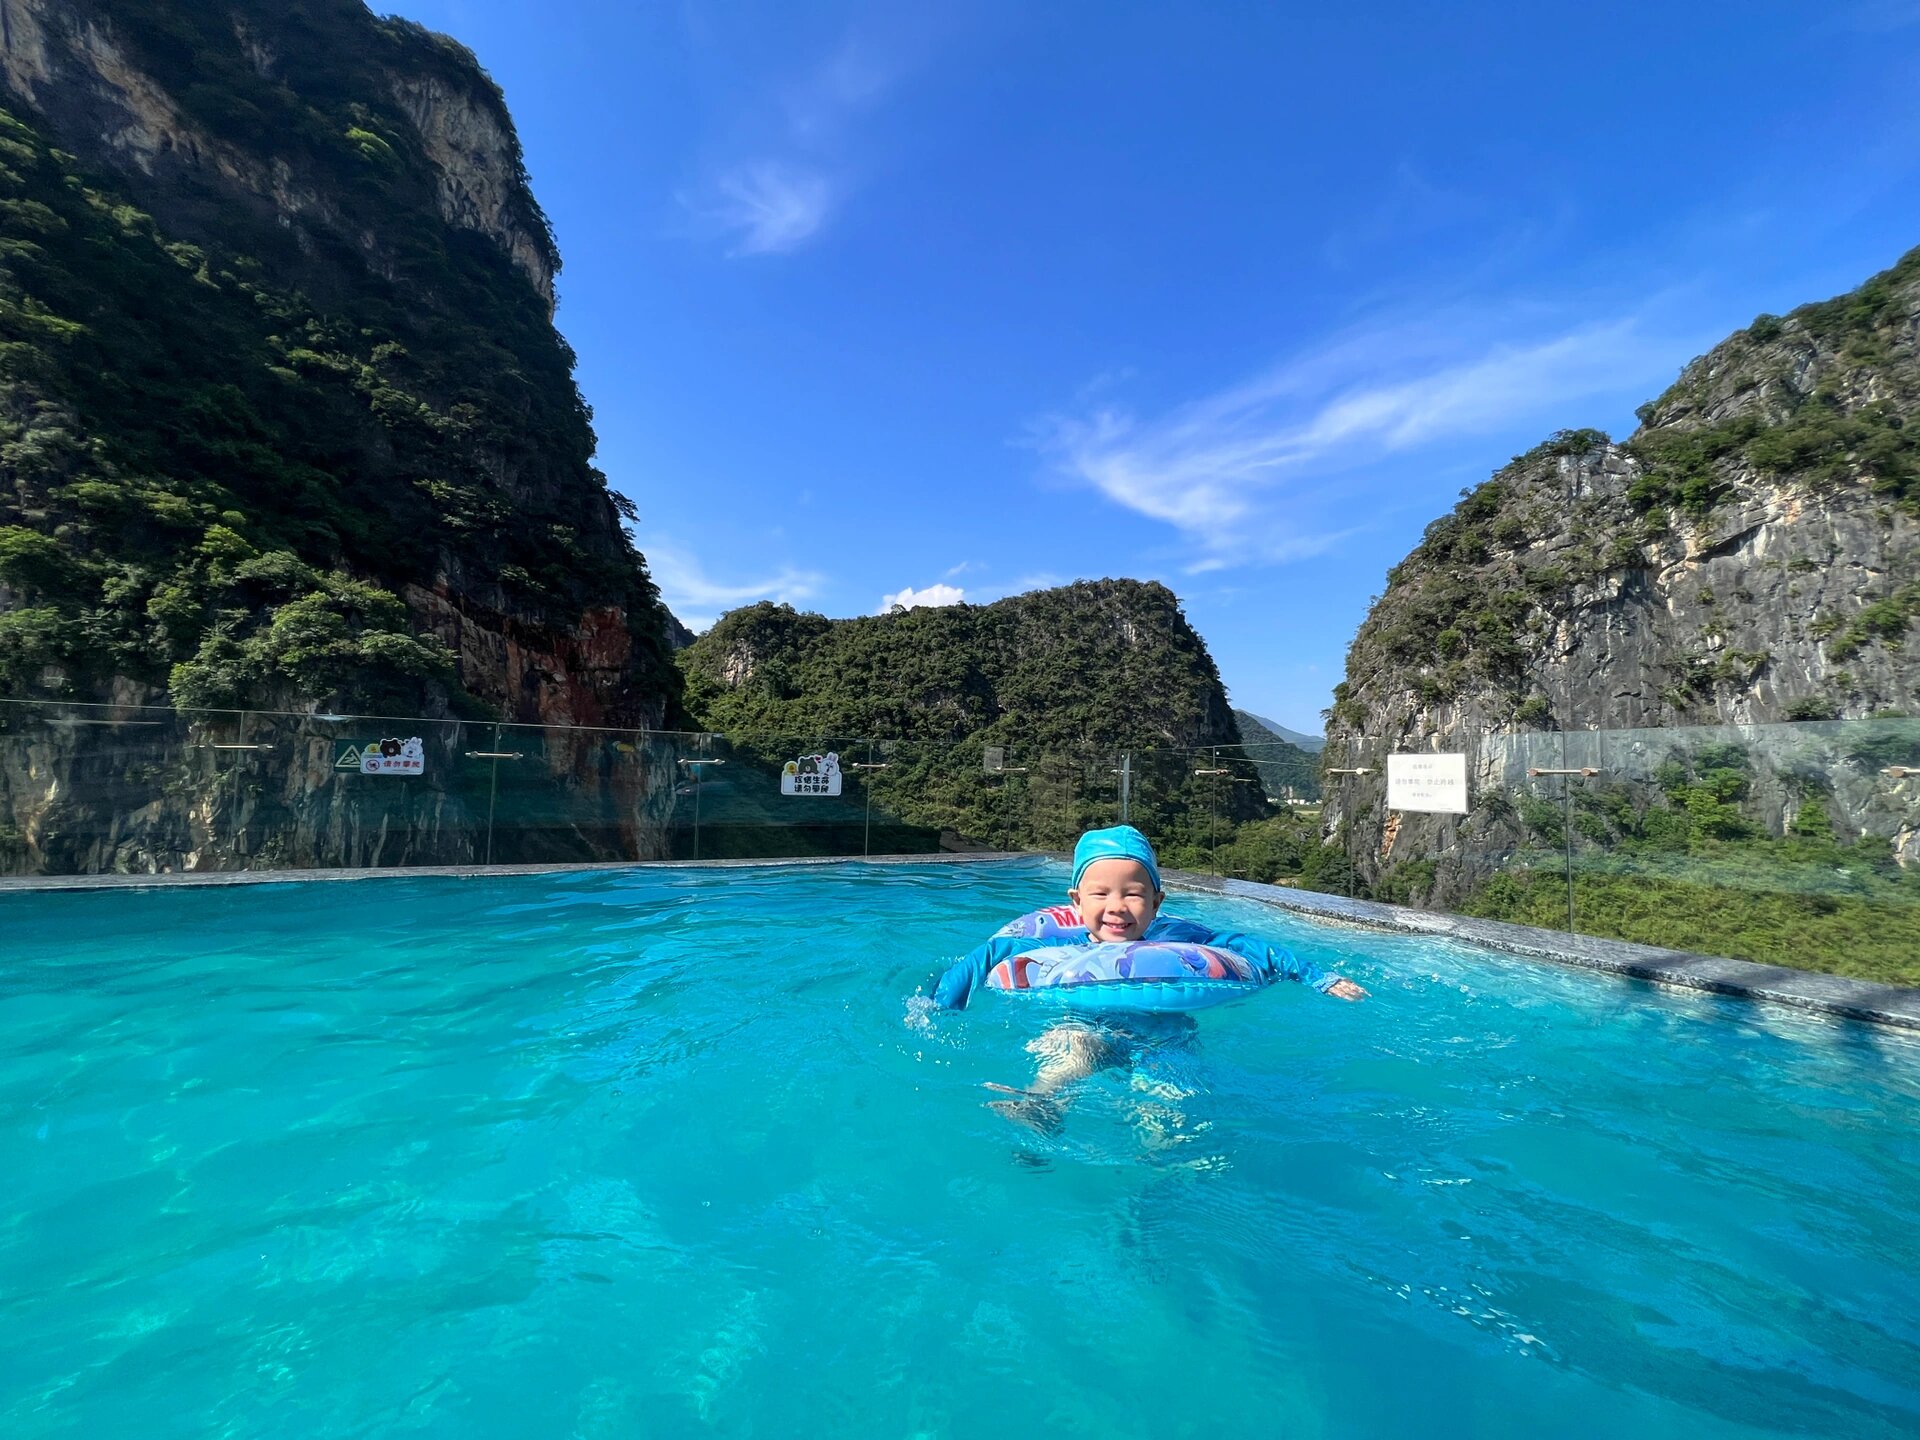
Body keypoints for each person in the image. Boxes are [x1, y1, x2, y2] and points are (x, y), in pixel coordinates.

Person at [932, 824, 1367, 1131]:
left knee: (1172, 1103)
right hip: (1085, 1023)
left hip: (1165, 1030)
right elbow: (987, 955)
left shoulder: (1178, 937)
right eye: (1100, 894)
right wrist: (941, 1005)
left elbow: (1248, 947)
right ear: (1076, 902)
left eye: (1134, 893)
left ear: (1157, 900)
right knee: (1072, 1050)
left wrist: (1317, 977)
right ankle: (1043, 1103)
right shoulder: (1052, 945)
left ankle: (1157, 1165)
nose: (1117, 906)